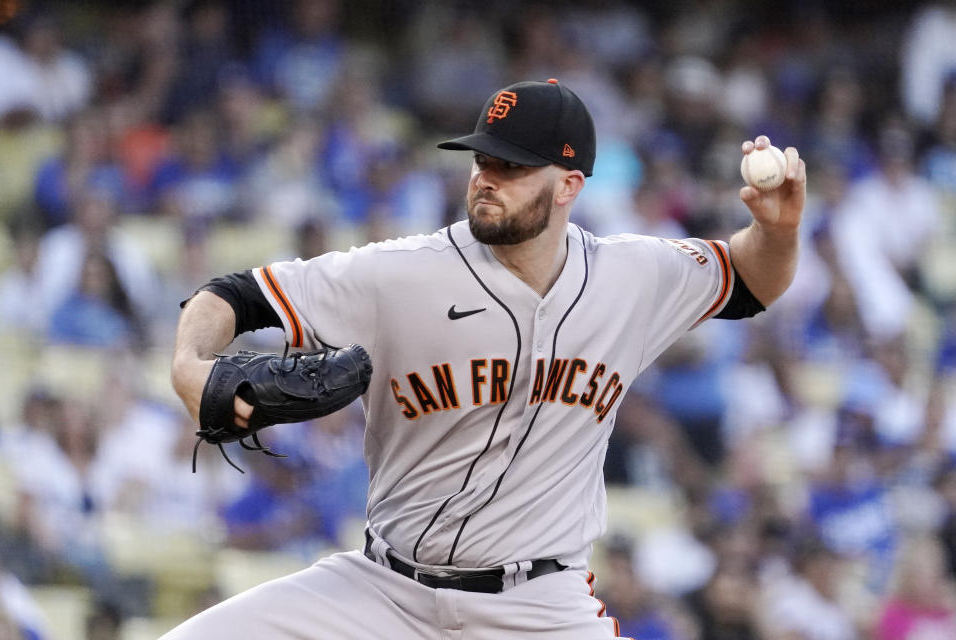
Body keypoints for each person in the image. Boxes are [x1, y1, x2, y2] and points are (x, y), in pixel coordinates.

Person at [165, 79, 806, 639]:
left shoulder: (632, 276)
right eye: (482, 160)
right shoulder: (399, 273)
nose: (486, 179)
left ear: (569, 186)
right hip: (383, 592)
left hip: (541, 607)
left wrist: (776, 232)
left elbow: (751, 281)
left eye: (511, 166)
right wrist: (190, 365)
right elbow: (235, 295)